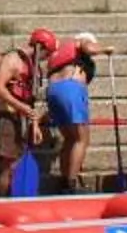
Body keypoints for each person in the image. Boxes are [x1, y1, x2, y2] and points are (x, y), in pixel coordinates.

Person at [0, 29, 52, 194]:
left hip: (22, 119)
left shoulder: (35, 68)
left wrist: (35, 124)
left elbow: (31, 100)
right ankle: (2, 201)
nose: (48, 57)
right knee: (10, 164)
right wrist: (20, 107)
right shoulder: (12, 59)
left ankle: (16, 197)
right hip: (6, 117)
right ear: (39, 47)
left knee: (18, 163)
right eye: (47, 52)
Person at [44, 35, 102, 191]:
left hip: (53, 91)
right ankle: (71, 183)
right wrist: (105, 49)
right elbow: (90, 48)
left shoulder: (61, 55)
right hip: (71, 89)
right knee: (81, 139)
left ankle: (64, 181)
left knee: (70, 139)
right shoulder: (81, 42)